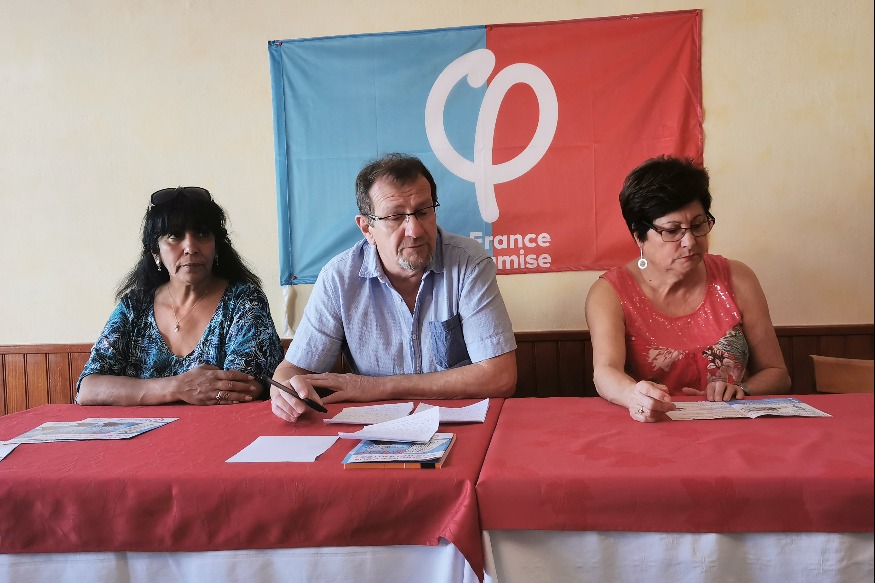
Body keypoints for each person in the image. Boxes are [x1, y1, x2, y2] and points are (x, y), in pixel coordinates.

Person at [271, 153, 517, 422]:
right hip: (374, 428)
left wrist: (378, 387)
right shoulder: (339, 278)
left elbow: (500, 377)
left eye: (423, 211)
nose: (415, 230)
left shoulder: (468, 262)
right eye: (396, 216)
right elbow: (291, 370)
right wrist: (285, 392)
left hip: (461, 422)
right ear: (367, 228)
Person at [585, 155, 791, 422]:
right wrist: (633, 396)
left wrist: (742, 389)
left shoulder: (738, 279)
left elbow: (777, 373)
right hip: (654, 426)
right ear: (639, 236)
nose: (690, 242)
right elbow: (606, 372)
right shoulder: (610, 294)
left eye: (697, 225)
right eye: (672, 231)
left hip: (735, 427)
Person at [76, 186, 284, 406]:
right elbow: (88, 389)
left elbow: (244, 390)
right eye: (175, 236)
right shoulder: (134, 306)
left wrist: (140, 391)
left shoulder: (244, 302)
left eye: (202, 234)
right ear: (155, 251)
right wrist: (177, 387)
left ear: (217, 246)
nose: (190, 247)